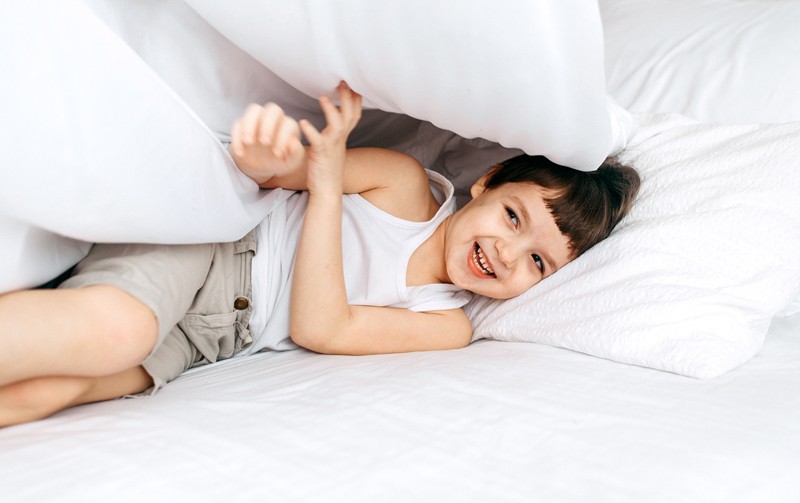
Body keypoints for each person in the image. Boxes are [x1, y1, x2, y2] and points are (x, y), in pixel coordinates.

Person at [0, 82, 640, 426]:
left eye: (538, 263)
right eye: (513, 216)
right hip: (219, 250)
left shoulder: (446, 324)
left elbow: (321, 326)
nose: (507, 253)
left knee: (49, 391)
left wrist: (329, 183)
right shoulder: (403, 183)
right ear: (488, 180)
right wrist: (275, 159)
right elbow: (281, 176)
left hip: (218, 338)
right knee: (118, 329)